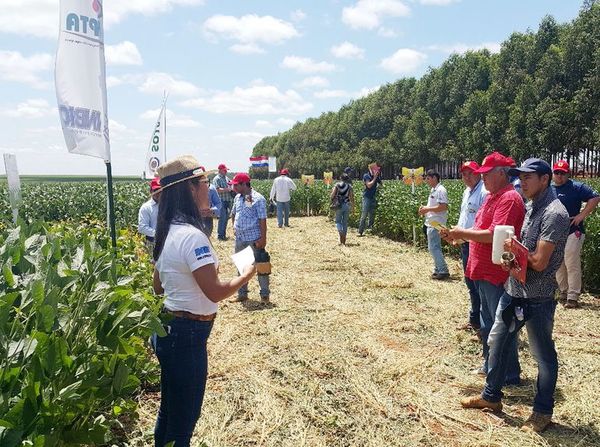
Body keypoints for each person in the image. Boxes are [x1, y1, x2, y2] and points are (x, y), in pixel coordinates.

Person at [151, 155, 256, 447]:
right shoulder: (193, 237)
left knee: (169, 411)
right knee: (184, 421)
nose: (207, 188)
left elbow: (157, 287)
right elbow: (215, 292)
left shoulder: (166, 231)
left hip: (168, 330)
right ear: (189, 189)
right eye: (203, 182)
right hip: (188, 337)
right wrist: (246, 275)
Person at [461, 158, 570, 434]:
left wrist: (512, 251)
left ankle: (542, 412)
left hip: (538, 296)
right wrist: (509, 256)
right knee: (497, 340)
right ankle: (491, 396)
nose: (522, 181)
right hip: (514, 290)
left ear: (545, 179)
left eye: (528, 177)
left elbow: (540, 261)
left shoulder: (555, 213)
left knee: (542, 354)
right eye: (520, 177)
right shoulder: (532, 205)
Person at [443, 152, 525, 384]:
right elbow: (478, 228)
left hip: (495, 272)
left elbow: (493, 235)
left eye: (486, 174)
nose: (483, 178)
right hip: (481, 269)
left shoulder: (509, 199)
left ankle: (507, 374)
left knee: (500, 325)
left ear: (501, 173)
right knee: (488, 323)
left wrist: (461, 234)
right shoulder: (491, 196)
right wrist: (457, 237)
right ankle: (491, 365)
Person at [552, 160, 600, 308]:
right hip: (555, 232)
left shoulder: (576, 187)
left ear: (568, 174)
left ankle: (573, 296)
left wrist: (581, 215)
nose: (559, 176)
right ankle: (563, 292)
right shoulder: (549, 189)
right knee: (558, 262)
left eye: (563, 173)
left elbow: (595, 197)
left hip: (574, 230)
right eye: (557, 172)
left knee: (571, 261)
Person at [456, 161, 487, 332]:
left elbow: (483, 223)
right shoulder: (467, 192)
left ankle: (482, 323)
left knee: (478, 285)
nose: (467, 177)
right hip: (465, 242)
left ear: (479, 173)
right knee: (470, 282)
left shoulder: (484, 192)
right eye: (464, 174)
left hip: (477, 243)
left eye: (470, 173)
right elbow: (465, 217)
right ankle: (475, 320)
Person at [230, 173, 270, 303]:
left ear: (244, 184)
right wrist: (234, 227)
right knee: (242, 266)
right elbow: (235, 213)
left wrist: (263, 239)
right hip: (241, 238)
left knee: (261, 266)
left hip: (254, 238)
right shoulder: (239, 198)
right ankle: (242, 294)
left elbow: (262, 219)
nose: (234, 187)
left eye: (236, 185)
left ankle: (264, 295)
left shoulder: (257, 198)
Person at [418, 169, 450, 280]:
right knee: (434, 247)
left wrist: (427, 209)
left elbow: (443, 206)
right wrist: (425, 209)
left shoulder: (441, 190)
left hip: (436, 223)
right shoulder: (434, 190)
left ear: (434, 178)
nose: (427, 181)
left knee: (434, 248)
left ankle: (443, 270)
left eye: (428, 178)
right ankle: (438, 269)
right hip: (431, 222)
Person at [138, 177, 162, 256]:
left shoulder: (167, 205)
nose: (159, 193)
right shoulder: (146, 207)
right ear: (151, 191)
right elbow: (142, 227)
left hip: (168, 242)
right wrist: (159, 234)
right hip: (152, 243)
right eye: (156, 190)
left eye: (161, 190)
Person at [358, 163, 382, 236]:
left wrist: (378, 187)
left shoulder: (376, 176)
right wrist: (374, 177)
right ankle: (360, 231)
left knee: (372, 214)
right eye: (375, 169)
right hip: (367, 197)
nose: (377, 170)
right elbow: (369, 185)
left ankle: (369, 230)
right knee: (364, 214)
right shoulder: (366, 175)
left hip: (373, 197)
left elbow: (381, 184)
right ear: (371, 169)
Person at [331, 172, 354, 245]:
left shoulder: (337, 185)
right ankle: (343, 240)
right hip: (346, 205)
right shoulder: (349, 186)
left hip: (339, 205)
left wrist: (332, 198)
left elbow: (332, 196)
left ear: (341, 178)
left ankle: (340, 232)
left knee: (338, 221)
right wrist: (353, 207)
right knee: (345, 222)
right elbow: (352, 198)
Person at [212, 163, 233, 241]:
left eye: (226, 170)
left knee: (226, 218)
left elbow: (230, 185)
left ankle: (223, 234)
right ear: (220, 170)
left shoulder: (226, 178)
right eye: (224, 170)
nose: (226, 171)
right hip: (221, 201)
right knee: (222, 218)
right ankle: (220, 235)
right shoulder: (216, 179)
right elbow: (216, 190)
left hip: (228, 200)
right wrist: (227, 189)